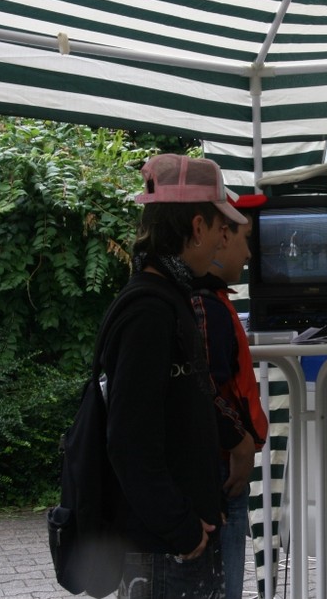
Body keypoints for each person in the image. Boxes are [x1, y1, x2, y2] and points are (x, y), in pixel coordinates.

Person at [102, 153, 248, 598]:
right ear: (198, 227)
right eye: (222, 230)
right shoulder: (149, 310)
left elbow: (183, 399)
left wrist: (230, 433)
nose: (225, 243)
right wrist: (183, 530)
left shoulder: (171, 295)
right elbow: (128, 439)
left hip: (183, 539)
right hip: (167, 549)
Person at [191, 193, 271, 599]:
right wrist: (239, 443)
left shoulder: (211, 302)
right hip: (221, 475)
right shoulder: (207, 307)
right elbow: (200, 391)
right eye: (245, 238)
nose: (249, 254)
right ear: (218, 238)